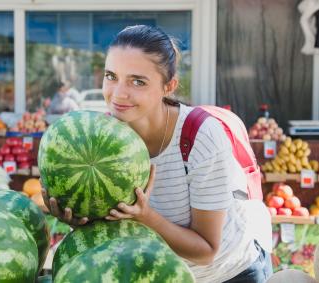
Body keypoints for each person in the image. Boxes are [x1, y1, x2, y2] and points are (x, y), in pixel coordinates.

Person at [43, 25, 273, 283]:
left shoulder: (201, 136)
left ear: (169, 86)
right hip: (160, 275)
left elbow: (207, 250)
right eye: (111, 76)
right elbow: (115, 229)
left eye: (137, 81)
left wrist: (145, 217)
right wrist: (81, 219)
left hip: (229, 273)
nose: (119, 93)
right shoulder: (101, 136)